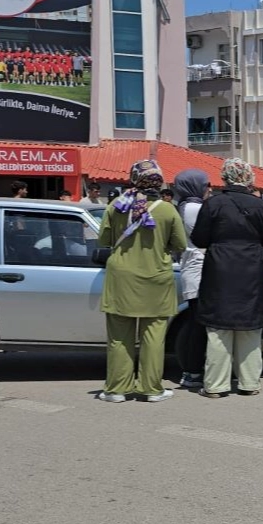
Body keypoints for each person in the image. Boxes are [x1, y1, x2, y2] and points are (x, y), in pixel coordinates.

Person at [97, 160, 187, 403]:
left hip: (121, 278)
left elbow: (104, 240)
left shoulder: (117, 205)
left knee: (119, 337)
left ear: (134, 178)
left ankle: (116, 389)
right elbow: (179, 245)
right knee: (153, 337)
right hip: (156, 277)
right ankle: (150, 389)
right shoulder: (168, 210)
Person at [191, 158, 263, 397]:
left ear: (225, 176)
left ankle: (216, 385)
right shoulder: (260, 206)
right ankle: (249, 383)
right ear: (248, 176)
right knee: (250, 327)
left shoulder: (213, 204)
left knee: (219, 328)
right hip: (252, 268)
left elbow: (199, 239)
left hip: (220, 268)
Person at [172, 168, 212, 389]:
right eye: (205, 184)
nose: (209, 189)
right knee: (198, 325)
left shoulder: (184, 205)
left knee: (194, 323)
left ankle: (191, 370)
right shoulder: (195, 208)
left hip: (192, 268)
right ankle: (192, 371)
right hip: (198, 269)